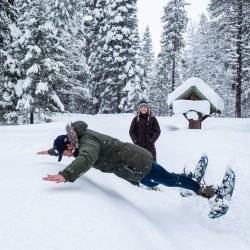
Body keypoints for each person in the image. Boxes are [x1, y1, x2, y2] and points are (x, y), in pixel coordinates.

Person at [42, 120, 216, 200]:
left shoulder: (88, 142)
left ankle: (203, 191)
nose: (65, 157)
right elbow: (74, 152)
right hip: (132, 167)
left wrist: (66, 175)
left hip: (137, 163)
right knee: (157, 181)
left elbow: (87, 158)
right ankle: (187, 179)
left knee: (168, 181)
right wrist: (49, 152)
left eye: (62, 154)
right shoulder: (78, 142)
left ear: (69, 145)